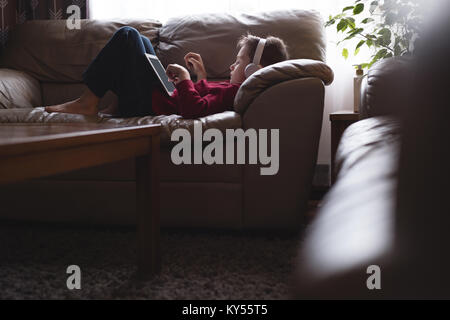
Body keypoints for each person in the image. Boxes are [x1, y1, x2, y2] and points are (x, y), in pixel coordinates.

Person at [45, 27, 289, 119]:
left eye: (238, 62)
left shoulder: (236, 93)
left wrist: (184, 81)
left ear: (252, 70)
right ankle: (117, 105)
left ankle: (88, 102)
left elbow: (195, 110)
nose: (231, 67)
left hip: (147, 105)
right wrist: (200, 77)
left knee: (128, 36)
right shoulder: (234, 90)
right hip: (157, 98)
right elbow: (205, 99)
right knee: (142, 41)